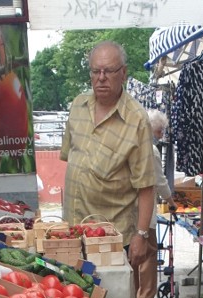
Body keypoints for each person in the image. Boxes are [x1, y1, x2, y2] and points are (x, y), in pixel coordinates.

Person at [60, 41, 157, 271]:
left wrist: (141, 235)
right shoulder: (77, 106)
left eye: (109, 71)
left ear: (123, 73)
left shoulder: (136, 120)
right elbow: (70, 160)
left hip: (112, 241)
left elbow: (146, 186)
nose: (101, 77)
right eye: (95, 71)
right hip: (72, 235)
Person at [136, 110, 175, 298]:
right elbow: (159, 181)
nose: (161, 136)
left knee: (132, 251)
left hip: (127, 209)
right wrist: (170, 200)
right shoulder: (151, 151)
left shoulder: (133, 146)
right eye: (160, 132)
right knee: (149, 252)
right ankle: (146, 297)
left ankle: (134, 294)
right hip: (144, 208)